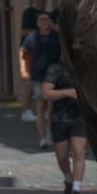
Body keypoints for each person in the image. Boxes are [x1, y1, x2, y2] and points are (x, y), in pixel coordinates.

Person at [41, 59, 88, 194]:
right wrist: (68, 92)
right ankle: (68, 179)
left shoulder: (84, 67)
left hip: (80, 117)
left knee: (78, 152)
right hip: (59, 118)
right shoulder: (55, 68)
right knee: (61, 156)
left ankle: (76, 189)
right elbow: (46, 93)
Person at [21, 10, 65, 147]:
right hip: (38, 76)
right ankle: (43, 138)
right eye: (41, 20)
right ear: (37, 23)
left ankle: (50, 133)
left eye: (46, 20)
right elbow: (23, 51)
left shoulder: (56, 36)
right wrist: (23, 70)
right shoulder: (32, 37)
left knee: (51, 109)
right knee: (40, 107)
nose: (44, 23)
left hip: (54, 77)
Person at [19, 0, 50, 120]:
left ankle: (41, 110)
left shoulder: (43, 13)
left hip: (42, 51)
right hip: (30, 50)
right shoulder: (29, 12)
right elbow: (24, 31)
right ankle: (26, 110)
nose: (46, 2)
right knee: (31, 80)